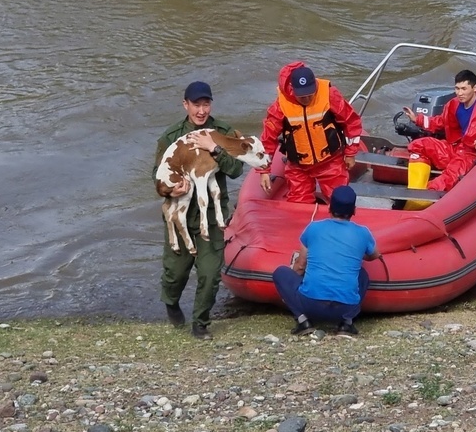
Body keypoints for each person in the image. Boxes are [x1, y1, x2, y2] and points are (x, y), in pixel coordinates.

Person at [152, 81, 244, 341]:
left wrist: (214, 148)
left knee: (210, 272)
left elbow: (236, 171)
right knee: (175, 272)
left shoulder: (223, 132)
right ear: (186, 105)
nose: (201, 111)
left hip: (211, 217)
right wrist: (171, 191)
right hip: (180, 214)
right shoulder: (171, 136)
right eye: (196, 105)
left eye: (206, 104)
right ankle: (171, 302)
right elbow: (156, 177)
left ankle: (200, 323)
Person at [272, 185, 381, 337]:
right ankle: (346, 323)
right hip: (345, 308)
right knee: (362, 274)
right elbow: (375, 255)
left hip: (311, 305)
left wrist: (297, 273)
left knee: (280, 273)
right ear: (354, 210)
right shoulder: (363, 232)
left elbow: (300, 267)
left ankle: (303, 321)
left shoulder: (313, 228)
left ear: (329, 207)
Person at [259, 62, 363, 204]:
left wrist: (350, 154)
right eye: (302, 97)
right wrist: (264, 170)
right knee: (298, 205)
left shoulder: (329, 94)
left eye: (310, 94)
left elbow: (351, 122)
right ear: (292, 89)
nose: (307, 99)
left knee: (339, 202)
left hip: (330, 161)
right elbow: (268, 138)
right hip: (298, 166)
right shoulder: (280, 105)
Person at [402, 69, 476, 196]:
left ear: (474, 88)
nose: (460, 93)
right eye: (457, 88)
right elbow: (441, 122)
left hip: (471, 154)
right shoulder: (453, 104)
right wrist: (418, 119)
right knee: (419, 145)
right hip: (454, 148)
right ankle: (415, 191)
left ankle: (423, 197)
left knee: (451, 174)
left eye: (464, 89)